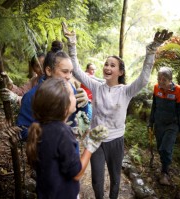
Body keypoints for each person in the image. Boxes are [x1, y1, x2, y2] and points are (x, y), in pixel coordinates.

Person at [62, 22, 173, 199]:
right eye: (106, 64)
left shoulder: (126, 91)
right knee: (97, 181)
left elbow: (144, 79)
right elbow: (76, 70)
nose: (107, 67)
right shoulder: (97, 86)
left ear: (120, 71)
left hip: (116, 141)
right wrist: (72, 45)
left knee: (115, 179)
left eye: (112, 65)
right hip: (96, 139)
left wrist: (151, 51)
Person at [26, 77, 108, 199]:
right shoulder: (62, 132)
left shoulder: (40, 126)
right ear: (64, 104)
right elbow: (76, 174)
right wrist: (90, 146)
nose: (76, 96)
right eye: (72, 94)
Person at [9, 40, 90, 141]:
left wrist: (84, 105)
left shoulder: (71, 89)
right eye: (65, 72)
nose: (69, 77)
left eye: (71, 72)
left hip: (70, 151)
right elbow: (22, 131)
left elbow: (82, 121)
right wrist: (51, 132)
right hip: (44, 154)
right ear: (49, 71)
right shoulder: (32, 96)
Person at [148, 66, 180, 185]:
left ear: (170, 80)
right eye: (159, 79)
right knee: (160, 149)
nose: (161, 82)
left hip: (172, 125)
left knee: (165, 148)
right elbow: (154, 107)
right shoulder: (156, 88)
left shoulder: (178, 90)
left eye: (164, 79)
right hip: (159, 124)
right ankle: (164, 166)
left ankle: (165, 172)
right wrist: (150, 123)